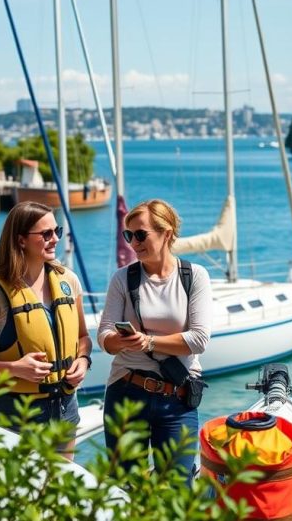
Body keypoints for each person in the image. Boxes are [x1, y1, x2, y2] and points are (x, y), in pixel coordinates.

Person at [98, 199, 212, 481]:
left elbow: (198, 339)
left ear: (167, 233)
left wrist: (148, 343)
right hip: (126, 393)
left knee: (177, 488)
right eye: (129, 235)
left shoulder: (194, 276)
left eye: (140, 234)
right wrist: (121, 341)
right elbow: (104, 337)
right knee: (124, 488)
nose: (133, 243)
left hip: (177, 398)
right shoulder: (122, 279)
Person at [0, 202, 92, 458]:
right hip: (17, 413)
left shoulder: (68, 281)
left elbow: (83, 337)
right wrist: (15, 369)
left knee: (60, 489)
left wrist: (83, 359)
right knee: (20, 495)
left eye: (55, 230)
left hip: (66, 407)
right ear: (21, 240)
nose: (55, 238)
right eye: (45, 234)